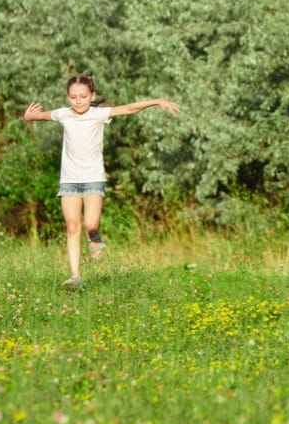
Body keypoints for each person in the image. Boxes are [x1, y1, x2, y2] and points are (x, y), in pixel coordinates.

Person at [24, 75, 179, 291]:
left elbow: (129, 109)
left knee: (90, 224)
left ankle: (94, 237)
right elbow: (37, 116)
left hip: (93, 179)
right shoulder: (63, 114)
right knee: (71, 226)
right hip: (69, 180)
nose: (78, 101)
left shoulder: (98, 114)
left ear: (92, 96)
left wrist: (157, 101)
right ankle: (75, 276)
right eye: (73, 97)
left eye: (83, 96)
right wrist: (28, 116)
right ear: (68, 97)